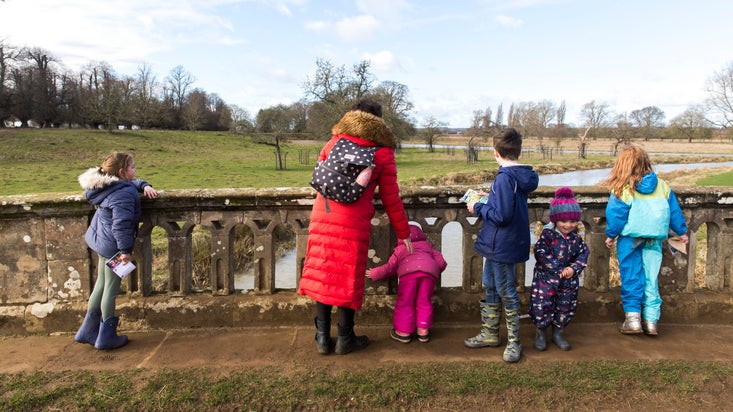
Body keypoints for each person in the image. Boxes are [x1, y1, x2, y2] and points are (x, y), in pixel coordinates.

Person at [298, 99, 413, 355]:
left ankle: (321, 337)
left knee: (324, 272)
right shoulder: (382, 152)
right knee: (348, 275)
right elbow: (391, 197)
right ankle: (345, 338)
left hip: (324, 212)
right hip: (353, 219)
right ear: (379, 121)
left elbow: (320, 173)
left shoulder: (335, 141)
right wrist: (404, 233)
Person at [464, 128, 538, 363]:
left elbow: (502, 216)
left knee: (505, 290)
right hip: (503, 243)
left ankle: (514, 342)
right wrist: (492, 197)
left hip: (501, 244)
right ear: (518, 151)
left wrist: (478, 207)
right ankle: (490, 333)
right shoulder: (518, 175)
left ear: (496, 153)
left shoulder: (505, 178)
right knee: (491, 286)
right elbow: (508, 205)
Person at [602, 144, 688, 336]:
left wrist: (610, 235)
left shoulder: (624, 188)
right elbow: (674, 212)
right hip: (654, 237)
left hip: (630, 238)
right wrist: (681, 232)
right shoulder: (662, 185)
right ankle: (651, 321)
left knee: (632, 276)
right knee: (651, 277)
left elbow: (616, 216)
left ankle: (633, 320)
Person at [75, 152, 158, 350]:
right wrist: (125, 251)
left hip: (102, 241)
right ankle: (106, 337)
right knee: (110, 290)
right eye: (132, 167)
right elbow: (121, 225)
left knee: (101, 285)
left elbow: (131, 183)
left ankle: (87, 330)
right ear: (122, 171)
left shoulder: (107, 185)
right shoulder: (123, 193)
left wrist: (144, 185)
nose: (135, 170)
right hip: (114, 246)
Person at [529, 187, 589, 351]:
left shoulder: (576, 239)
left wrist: (574, 268)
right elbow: (540, 254)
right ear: (555, 220)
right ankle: (540, 331)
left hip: (568, 282)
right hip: (545, 281)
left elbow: (584, 254)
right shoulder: (547, 236)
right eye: (564, 221)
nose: (568, 225)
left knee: (565, 306)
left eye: (573, 221)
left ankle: (558, 332)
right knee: (542, 305)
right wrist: (558, 269)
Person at [367, 224, 447, 343]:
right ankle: (423, 331)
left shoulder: (400, 249)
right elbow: (441, 263)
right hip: (428, 275)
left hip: (408, 275)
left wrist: (375, 273)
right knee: (424, 301)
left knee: (405, 302)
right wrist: (432, 270)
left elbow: (390, 268)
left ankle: (404, 333)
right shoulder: (428, 246)